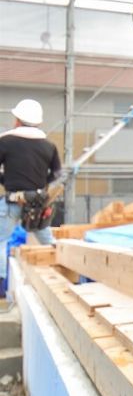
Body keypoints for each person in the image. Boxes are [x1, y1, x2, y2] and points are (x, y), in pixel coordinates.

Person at [0, 99, 61, 298]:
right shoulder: (48, 146)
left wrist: (5, 180)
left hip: (12, 201)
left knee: (1, 241)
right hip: (37, 203)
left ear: (18, 120)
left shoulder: (6, 141)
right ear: (38, 122)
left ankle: (1, 291)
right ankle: (60, 273)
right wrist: (41, 185)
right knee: (46, 239)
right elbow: (57, 173)